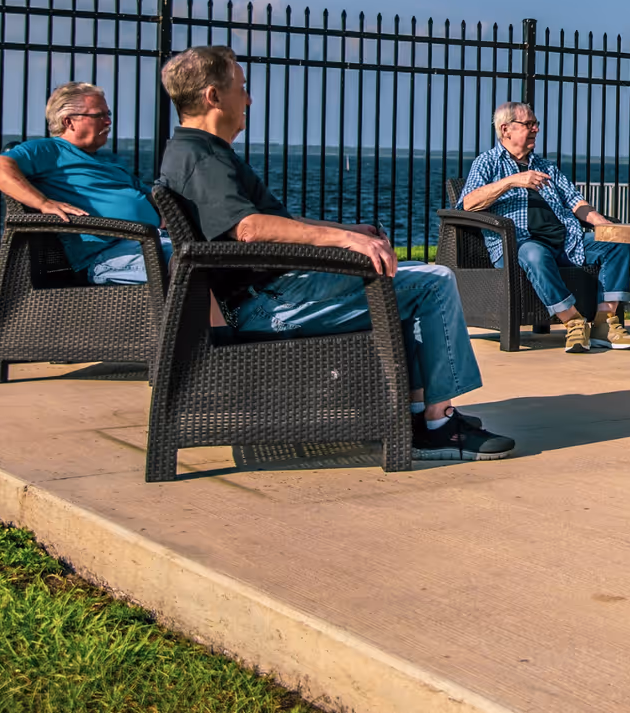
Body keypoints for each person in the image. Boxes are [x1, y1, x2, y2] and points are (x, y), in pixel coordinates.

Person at [156, 45, 513, 463]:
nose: (249, 99)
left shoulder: (197, 152)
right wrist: (346, 243)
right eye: (243, 88)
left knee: (413, 278)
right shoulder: (202, 158)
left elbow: (273, 220)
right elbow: (250, 229)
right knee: (434, 283)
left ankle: (419, 415)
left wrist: (347, 230)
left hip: (272, 294)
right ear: (213, 97)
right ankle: (437, 425)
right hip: (270, 306)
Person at [457, 103, 630, 354]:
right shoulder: (487, 163)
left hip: (566, 240)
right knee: (534, 254)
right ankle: (573, 321)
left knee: (616, 243)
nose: (536, 129)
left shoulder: (546, 167)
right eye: (529, 124)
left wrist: (604, 225)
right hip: (520, 243)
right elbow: (467, 204)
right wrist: (512, 181)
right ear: (506, 129)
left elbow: (575, 202)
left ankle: (604, 324)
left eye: (535, 124)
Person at [0, 82, 169, 283]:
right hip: (110, 255)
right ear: (69, 122)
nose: (108, 122)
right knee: (195, 266)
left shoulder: (110, 162)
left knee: (200, 254)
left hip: (154, 241)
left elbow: (148, 197)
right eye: (99, 115)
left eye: (108, 114)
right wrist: (43, 203)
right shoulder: (50, 150)